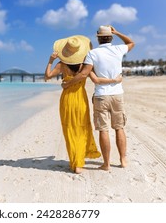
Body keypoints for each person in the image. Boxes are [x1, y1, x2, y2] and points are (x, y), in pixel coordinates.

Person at [45, 35, 122, 174]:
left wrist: (50, 61)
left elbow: (47, 76)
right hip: (81, 100)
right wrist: (114, 79)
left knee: (70, 131)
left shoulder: (61, 65)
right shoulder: (84, 66)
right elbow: (97, 80)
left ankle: (76, 163)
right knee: (81, 129)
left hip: (67, 100)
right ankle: (79, 162)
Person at [62, 26, 135, 171]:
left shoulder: (92, 54)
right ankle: (123, 159)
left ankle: (106, 164)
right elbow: (131, 43)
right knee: (119, 128)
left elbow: (83, 74)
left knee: (103, 130)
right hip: (117, 94)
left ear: (98, 38)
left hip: (101, 96)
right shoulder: (118, 50)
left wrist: (68, 83)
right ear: (111, 37)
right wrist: (118, 32)